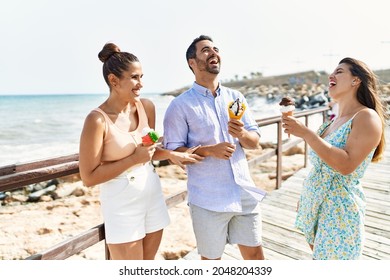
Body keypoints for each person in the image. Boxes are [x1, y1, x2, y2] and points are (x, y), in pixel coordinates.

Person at [79, 42, 202, 260]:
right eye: (134, 77)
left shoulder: (146, 107)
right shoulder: (97, 120)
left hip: (152, 194)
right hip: (121, 204)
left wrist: (171, 154)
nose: (141, 84)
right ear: (114, 80)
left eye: (142, 77)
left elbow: (149, 151)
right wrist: (132, 159)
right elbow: (88, 177)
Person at [163, 35, 265, 260]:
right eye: (206, 50)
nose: (213, 53)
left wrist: (242, 134)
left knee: (256, 258)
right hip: (208, 199)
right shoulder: (179, 106)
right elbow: (174, 154)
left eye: (215, 49)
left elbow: (254, 142)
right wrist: (209, 150)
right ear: (192, 62)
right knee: (211, 263)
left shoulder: (236, 97)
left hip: (244, 192)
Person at [282, 57, 386, 260]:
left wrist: (306, 133)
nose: (331, 75)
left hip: (339, 211)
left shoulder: (366, 117)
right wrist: (307, 197)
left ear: (356, 80)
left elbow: (346, 165)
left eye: (339, 71)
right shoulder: (334, 121)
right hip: (318, 206)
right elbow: (322, 164)